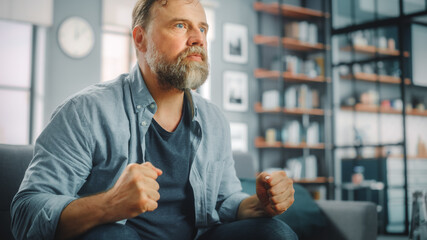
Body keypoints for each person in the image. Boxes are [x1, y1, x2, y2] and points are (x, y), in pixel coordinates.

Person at [11, 0, 297, 239]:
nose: (197, 38)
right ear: (140, 38)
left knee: (276, 233)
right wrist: (108, 205)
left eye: (203, 28)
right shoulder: (84, 112)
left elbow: (224, 200)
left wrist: (257, 204)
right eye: (180, 25)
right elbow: (26, 214)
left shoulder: (214, 120)